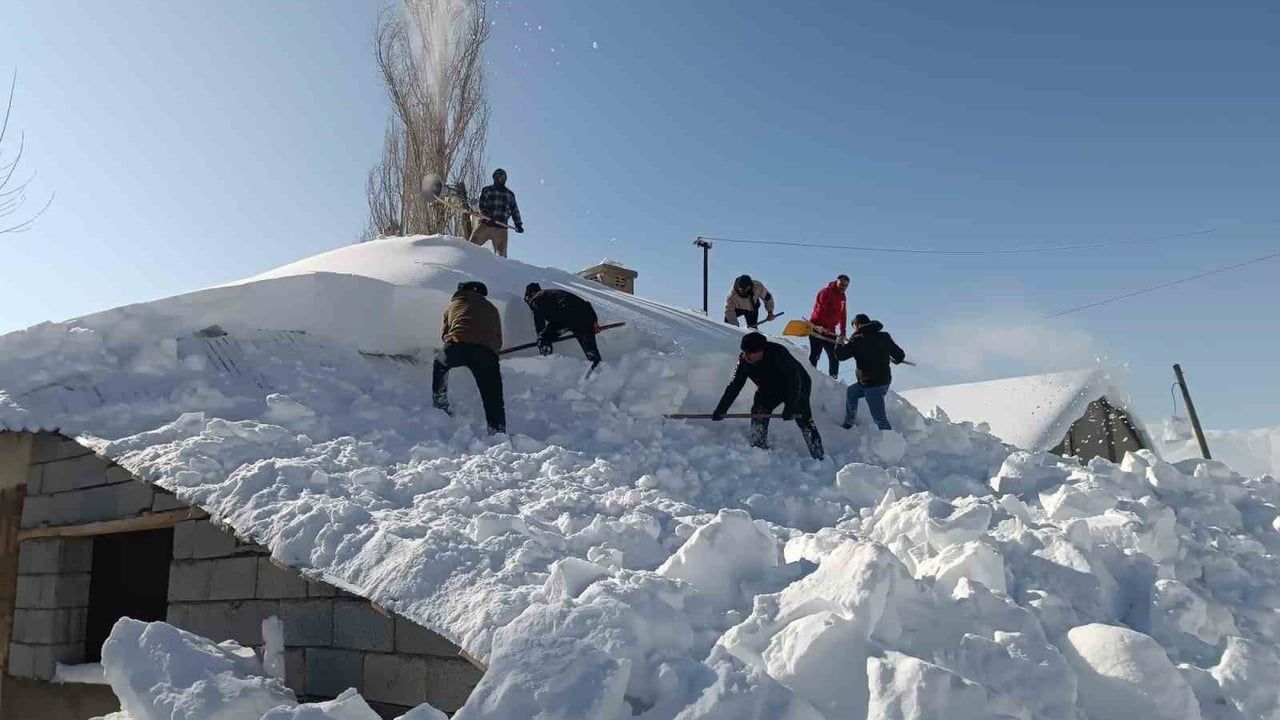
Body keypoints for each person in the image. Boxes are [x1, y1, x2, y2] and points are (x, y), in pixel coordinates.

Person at [712, 332, 825, 460]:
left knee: (804, 419)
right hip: (768, 388)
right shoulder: (744, 362)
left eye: (751, 353)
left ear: (762, 350)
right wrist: (721, 409)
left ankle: (818, 455)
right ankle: (758, 446)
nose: (747, 356)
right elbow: (735, 385)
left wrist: (790, 407)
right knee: (758, 411)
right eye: (745, 352)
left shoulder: (778, 353)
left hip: (798, 385)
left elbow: (794, 381)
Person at [432, 281, 506, 434]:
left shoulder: (452, 306)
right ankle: (497, 430)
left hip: (457, 345)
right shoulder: (492, 309)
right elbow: (498, 340)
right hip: (486, 352)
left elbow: (444, 334)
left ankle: (440, 400)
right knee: (493, 394)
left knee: (440, 363)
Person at [834, 313, 906, 431]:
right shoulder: (884, 336)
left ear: (857, 325)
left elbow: (840, 356)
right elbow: (900, 355)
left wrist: (839, 343)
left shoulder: (857, 340)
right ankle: (849, 421)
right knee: (852, 392)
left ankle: (890, 443)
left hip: (872, 385)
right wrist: (894, 359)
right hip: (883, 380)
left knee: (879, 418)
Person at [524, 283, 602, 366]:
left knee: (543, 338)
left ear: (532, 293)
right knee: (590, 349)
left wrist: (541, 337)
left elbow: (539, 321)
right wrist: (594, 322)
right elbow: (587, 304)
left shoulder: (536, 298)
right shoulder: (553, 293)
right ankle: (596, 367)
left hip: (566, 315)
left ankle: (547, 362)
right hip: (585, 315)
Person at [470, 168, 524, 258]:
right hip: (486, 224)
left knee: (501, 256)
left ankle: (499, 271)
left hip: (501, 228)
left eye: (501, 178)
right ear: (494, 178)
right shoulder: (487, 190)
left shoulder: (509, 194)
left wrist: (518, 224)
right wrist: (486, 214)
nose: (499, 179)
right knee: (471, 245)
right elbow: (481, 204)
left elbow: (514, 210)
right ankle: (466, 263)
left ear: (504, 180)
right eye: (497, 177)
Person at [808, 274, 849, 378]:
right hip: (817, 327)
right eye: (841, 284)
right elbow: (820, 311)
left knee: (835, 355)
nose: (843, 287)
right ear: (836, 282)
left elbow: (843, 315)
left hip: (830, 330)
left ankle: (833, 378)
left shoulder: (843, 296)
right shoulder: (825, 292)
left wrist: (843, 332)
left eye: (845, 285)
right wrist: (822, 326)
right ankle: (810, 375)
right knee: (815, 354)